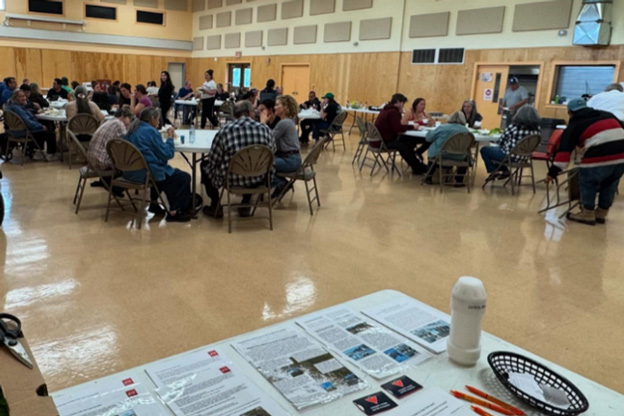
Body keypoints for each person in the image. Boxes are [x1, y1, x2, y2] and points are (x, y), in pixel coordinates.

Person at [545, 98, 624, 225]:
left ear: (570, 113)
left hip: (599, 153)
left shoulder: (575, 124)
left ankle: (587, 213)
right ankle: (602, 213)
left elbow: (563, 154)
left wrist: (551, 173)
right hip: (622, 156)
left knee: (587, 180)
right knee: (610, 183)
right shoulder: (607, 114)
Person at [201, 100, 275, 218]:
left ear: (234, 114)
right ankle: (245, 204)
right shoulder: (265, 130)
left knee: (204, 165)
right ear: (251, 113)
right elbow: (272, 153)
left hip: (232, 179)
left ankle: (215, 205)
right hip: (259, 178)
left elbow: (213, 160)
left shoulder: (225, 131)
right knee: (251, 165)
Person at [124, 107, 192, 222]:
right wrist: (170, 138)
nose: (159, 122)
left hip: (129, 172)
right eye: (158, 119)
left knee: (160, 170)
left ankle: (154, 204)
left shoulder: (132, 129)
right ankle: (176, 211)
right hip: (145, 173)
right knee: (183, 177)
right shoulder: (150, 131)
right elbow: (167, 154)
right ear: (152, 119)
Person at [480, 105, 541, 182]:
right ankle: (503, 170)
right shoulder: (538, 129)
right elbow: (537, 145)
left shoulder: (514, 127)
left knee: (484, 150)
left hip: (509, 157)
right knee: (497, 152)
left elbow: (501, 141)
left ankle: (494, 171)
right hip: (525, 158)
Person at [374, 93, 427, 175]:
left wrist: (399, 114)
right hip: (383, 141)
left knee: (407, 143)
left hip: (379, 139)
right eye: (403, 103)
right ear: (398, 102)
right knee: (404, 145)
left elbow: (396, 126)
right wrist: (412, 127)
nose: (403, 105)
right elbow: (398, 129)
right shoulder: (393, 112)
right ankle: (418, 166)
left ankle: (416, 166)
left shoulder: (386, 109)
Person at [262, 95, 300, 197]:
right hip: (292, 158)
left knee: (261, 164)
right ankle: (282, 183)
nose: (274, 107)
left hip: (290, 160)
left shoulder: (284, 123)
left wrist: (263, 123)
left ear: (285, 107)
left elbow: (268, 138)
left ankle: (280, 183)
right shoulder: (288, 121)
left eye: (277, 105)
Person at [5, 90, 57, 159]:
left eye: (24, 96)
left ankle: (37, 150)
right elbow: (28, 122)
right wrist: (41, 126)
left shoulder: (10, 106)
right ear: (15, 98)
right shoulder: (17, 108)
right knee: (50, 134)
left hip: (13, 131)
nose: (24, 98)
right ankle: (50, 154)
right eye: (20, 97)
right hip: (24, 132)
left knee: (42, 126)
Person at [423, 111, 471, 186]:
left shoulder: (443, 127)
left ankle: (428, 177)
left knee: (434, 151)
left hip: (442, 154)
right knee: (467, 153)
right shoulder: (465, 130)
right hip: (460, 156)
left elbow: (428, 138)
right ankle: (459, 180)